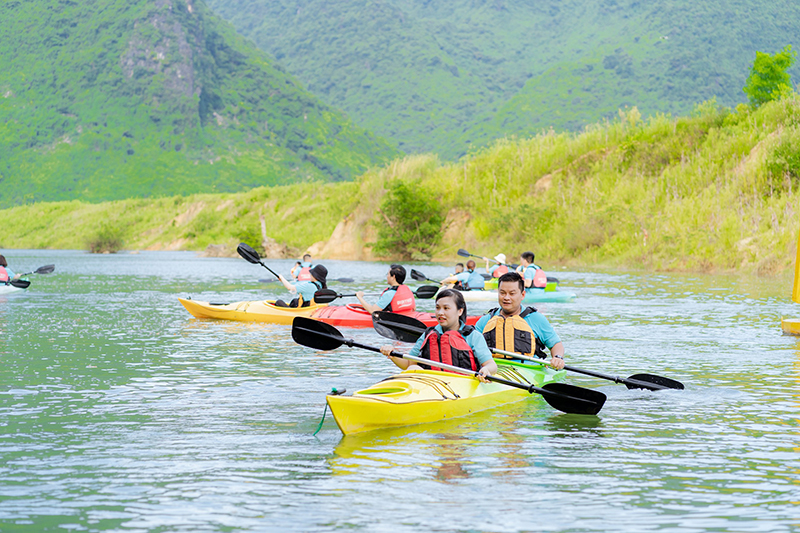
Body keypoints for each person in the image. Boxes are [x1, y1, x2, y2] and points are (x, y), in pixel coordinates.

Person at [380, 289, 497, 381]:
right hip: (432, 383)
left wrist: (486, 369)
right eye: (437, 308)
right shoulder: (428, 334)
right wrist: (392, 354)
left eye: (446, 308)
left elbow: (491, 365)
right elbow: (408, 363)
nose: (440, 312)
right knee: (413, 368)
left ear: (460, 311)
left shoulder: (472, 336)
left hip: (463, 382)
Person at [474, 272, 565, 370]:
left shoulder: (536, 319)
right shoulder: (485, 320)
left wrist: (557, 357)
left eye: (512, 293)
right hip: (492, 368)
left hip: (529, 369)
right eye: (502, 293)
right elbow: (470, 344)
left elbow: (556, 344)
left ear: (522, 295)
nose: (506, 298)